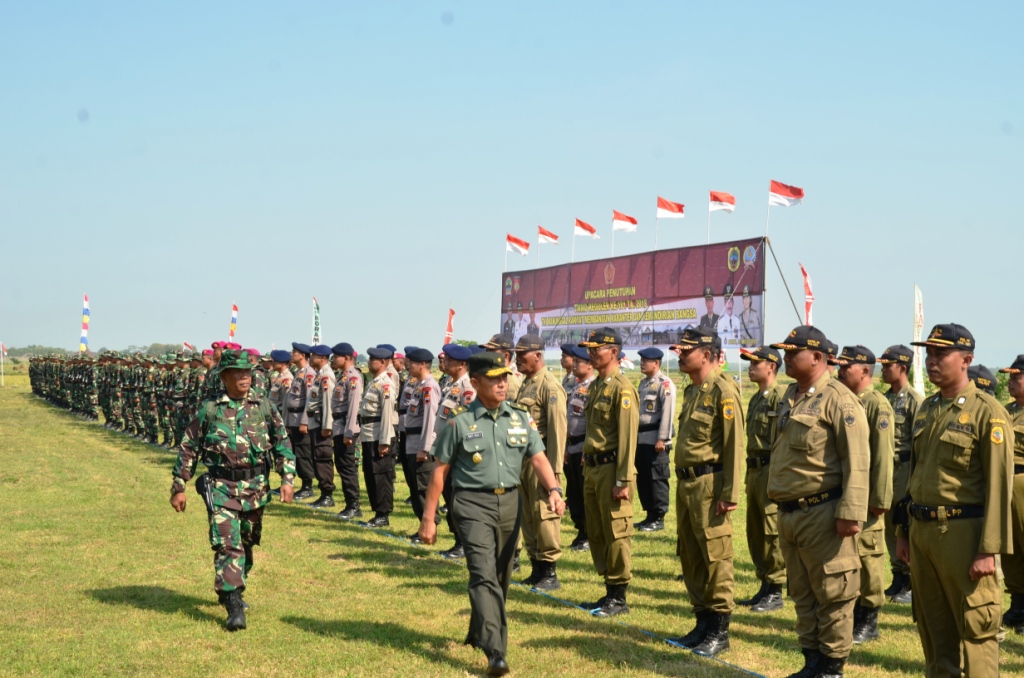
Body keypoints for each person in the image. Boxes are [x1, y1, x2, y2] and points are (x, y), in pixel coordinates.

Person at [418, 351, 566, 677]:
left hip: (510, 505)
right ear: (475, 382)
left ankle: (476, 631)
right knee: (483, 574)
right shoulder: (459, 423)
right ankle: (495, 650)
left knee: (500, 576)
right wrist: (429, 519)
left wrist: (554, 490)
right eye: (494, 378)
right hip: (471, 505)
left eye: (505, 377)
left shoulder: (518, 417)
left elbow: (538, 457)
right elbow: (439, 472)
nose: (503, 383)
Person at [896, 324, 1013, 677]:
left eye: (940, 353)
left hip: (964, 534)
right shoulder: (928, 408)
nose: (931, 361)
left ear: (967, 360)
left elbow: (999, 486)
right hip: (923, 533)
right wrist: (904, 532)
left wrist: (988, 549)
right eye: (928, 353)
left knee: (976, 631)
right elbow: (913, 477)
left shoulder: (987, 412)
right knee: (934, 631)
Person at [768, 325, 870, 678]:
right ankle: (811, 663)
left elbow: (857, 461)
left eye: (793, 353)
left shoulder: (839, 400)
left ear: (818, 357)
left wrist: (851, 514)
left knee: (833, 595)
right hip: (791, 514)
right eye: (784, 352)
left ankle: (831, 668)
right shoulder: (791, 396)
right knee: (802, 593)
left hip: (824, 513)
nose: (785, 358)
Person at [169, 349, 295, 631]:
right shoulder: (210, 409)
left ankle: (234, 586)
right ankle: (234, 603)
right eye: (237, 374)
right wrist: (179, 486)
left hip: (256, 490)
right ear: (224, 377)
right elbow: (189, 448)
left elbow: (283, 445)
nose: (244, 378)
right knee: (228, 544)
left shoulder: (264, 407)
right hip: (221, 488)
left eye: (247, 373)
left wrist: (287, 479)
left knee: (247, 543)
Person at [666, 327, 743, 656]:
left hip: (711, 485)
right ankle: (702, 622)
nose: (680, 355)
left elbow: (734, 446)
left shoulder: (724, 391)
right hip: (686, 484)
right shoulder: (693, 391)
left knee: (715, 555)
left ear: (708, 354)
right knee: (692, 555)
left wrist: (730, 493)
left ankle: (720, 630)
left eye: (686, 350)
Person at [576, 326, 639, 617]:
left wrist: (623, 479)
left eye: (596, 348)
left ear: (613, 352)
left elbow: (627, 437)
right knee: (598, 530)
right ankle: (608, 591)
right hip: (593, 467)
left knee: (615, 531)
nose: (590, 353)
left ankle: (619, 596)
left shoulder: (622, 388)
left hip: (613, 468)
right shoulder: (598, 385)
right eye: (589, 348)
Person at [833, 345, 894, 645]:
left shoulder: (876, 405)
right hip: (848, 495)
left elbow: (883, 457)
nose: (841, 369)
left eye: (847, 366)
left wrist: (878, 502)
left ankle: (869, 619)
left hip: (868, 500)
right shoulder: (847, 401)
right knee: (850, 557)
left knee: (869, 558)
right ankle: (854, 613)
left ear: (865, 371)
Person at [512, 334, 568, 591]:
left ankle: (549, 572)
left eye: (522, 354)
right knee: (529, 515)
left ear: (537, 355)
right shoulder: (526, 384)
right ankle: (536, 568)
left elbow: (557, 433)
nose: (517, 359)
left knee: (544, 514)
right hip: (524, 460)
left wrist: (554, 474)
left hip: (542, 460)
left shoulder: (550, 386)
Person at [737, 346, 787, 613]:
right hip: (754, 470)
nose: (750, 367)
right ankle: (765, 585)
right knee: (756, 530)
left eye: (755, 362)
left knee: (771, 530)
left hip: (771, 470)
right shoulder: (757, 398)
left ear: (771, 366)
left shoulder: (780, 398)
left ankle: (776, 589)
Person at [877, 344, 922, 604]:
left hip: (905, 467)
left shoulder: (915, 400)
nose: (882, 370)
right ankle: (897, 576)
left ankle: (911, 580)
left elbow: (919, 443)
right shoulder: (885, 398)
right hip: (886, 468)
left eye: (887, 365)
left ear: (902, 368)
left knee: (905, 522)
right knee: (889, 522)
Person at [433, 343, 478, 559]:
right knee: (450, 498)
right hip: (446, 450)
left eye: (449, 360)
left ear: (461, 364)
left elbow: (467, 421)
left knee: (458, 500)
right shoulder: (452, 385)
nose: (445, 363)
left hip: (458, 452)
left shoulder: (467, 387)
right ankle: (457, 540)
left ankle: (463, 543)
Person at [634, 347, 676, 532]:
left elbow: (668, 412)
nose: (642, 363)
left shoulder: (665, 384)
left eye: (645, 361)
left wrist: (663, 438)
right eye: (641, 360)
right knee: (643, 478)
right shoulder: (643, 384)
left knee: (657, 478)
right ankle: (649, 515)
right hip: (641, 438)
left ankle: (659, 517)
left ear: (656, 363)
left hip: (655, 440)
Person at [358, 346, 399, 527]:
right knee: (370, 474)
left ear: (382, 362)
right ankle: (377, 512)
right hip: (369, 435)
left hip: (380, 436)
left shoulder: (386, 384)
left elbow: (387, 415)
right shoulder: (373, 382)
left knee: (381, 476)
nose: (369, 362)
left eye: (372, 359)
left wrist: (384, 441)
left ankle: (383, 514)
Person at [403, 347, 441, 536]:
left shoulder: (428, 387)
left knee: (423, 488)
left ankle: (430, 526)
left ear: (423, 364)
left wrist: (424, 448)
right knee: (415, 487)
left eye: (412, 363)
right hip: (411, 441)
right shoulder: (419, 385)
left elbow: (430, 419)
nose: (408, 366)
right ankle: (422, 527)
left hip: (420, 443)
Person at [999, 354, 1024, 633]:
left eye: (1017, 377)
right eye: (1010, 377)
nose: (1010, 382)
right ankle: (1018, 604)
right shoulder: (1004, 411)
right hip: (1005, 483)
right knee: (1011, 547)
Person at [564, 346, 595, 551]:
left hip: (583, 446)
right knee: (573, 492)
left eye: (578, 362)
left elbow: (593, 423)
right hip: (571, 447)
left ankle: (588, 534)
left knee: (584, 495)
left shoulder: (593, 388)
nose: (573, 365)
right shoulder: (575, 386)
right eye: (572, 361)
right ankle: (579, 530)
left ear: (590, 365)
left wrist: (586, 450)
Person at [330, 343, 364, 519]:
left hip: (346, 427)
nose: (334, 359)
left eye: (336, 356)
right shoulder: (342, 377)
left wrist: (349, 432)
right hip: (339, 426)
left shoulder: (353, 378)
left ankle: (354, 505)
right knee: (342, 466)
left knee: (348, 467)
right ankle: (350, 503)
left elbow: (353, 407)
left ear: (347, 358)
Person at [305, 344, 337, 508]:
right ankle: (324, 493)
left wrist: (327, 425)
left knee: (322, 458)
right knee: (317, 458)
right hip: (315, 423)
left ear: (323, 358)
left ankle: (327, 494)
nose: (310, 358)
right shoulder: (319, 375)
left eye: (313, 356)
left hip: (321, 424)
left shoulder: (326, 376)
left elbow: (328, 403)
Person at [286, 343, 317, 500]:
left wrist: (305, 421)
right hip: (293, 418)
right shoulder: (299, 372)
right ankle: (303, 484)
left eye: (295, 352)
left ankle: (307, 486)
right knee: (297, 452)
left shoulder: (309, 374)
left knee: (304, 453)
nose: (292, 354)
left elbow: (310, 400)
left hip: (301, 420)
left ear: (303, 355)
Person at [480, 334, 522, 400]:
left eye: (491, 352)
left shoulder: (510, 381)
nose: (487, 356)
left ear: (506, 356)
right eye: (487, 351)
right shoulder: (502, 376)